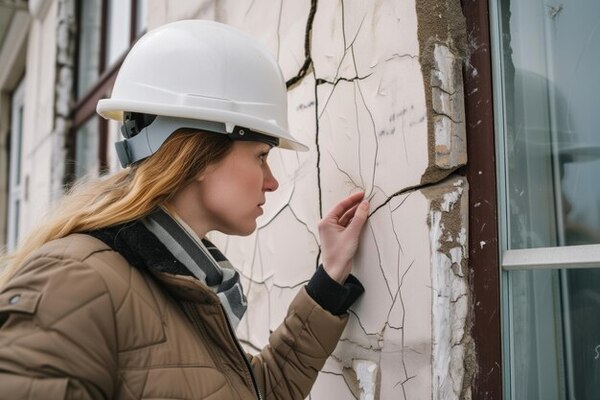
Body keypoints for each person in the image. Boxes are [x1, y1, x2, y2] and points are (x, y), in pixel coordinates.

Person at [0, 20, 369, 399]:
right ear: (201, 156)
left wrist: (328, 281)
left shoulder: (177, 281)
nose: (271, 181)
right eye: (260, 156)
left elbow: (253, 392)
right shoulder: (72, 280)